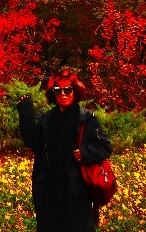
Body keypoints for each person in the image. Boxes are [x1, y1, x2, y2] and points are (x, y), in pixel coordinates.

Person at [17, 69, 113, 232]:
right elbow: (33, 142)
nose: (63, 93)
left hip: (77, 192)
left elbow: (105, 147)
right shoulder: (46, 119)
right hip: (49, 192)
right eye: (58, 90)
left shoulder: (86, 119)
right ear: (52, 93)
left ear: (74, 91)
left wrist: (85, 152)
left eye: (67, 89)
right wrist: (25, 110)